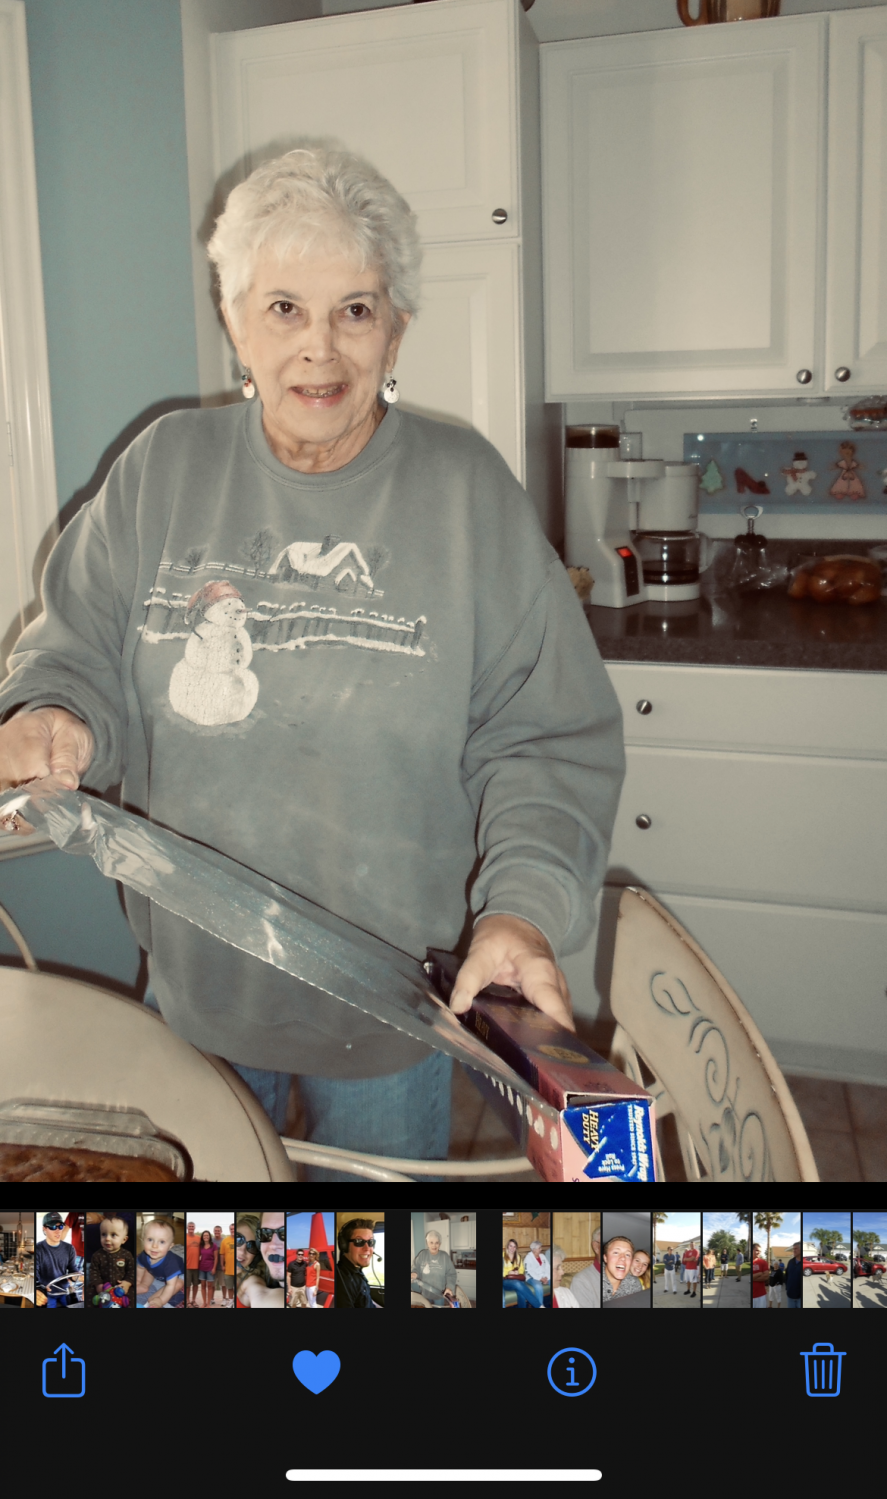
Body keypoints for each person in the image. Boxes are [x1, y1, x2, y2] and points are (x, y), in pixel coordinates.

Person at [0, 145, 625, 1174]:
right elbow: (79, 653)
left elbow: (543, 740)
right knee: (214, 1253)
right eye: (284, 308)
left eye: (355, 310)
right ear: (234, 320)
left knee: (358, 1260)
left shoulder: (464, 493)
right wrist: (54, 717)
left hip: (387, 1014)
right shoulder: (161, 470)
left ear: (396, 329)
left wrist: (519, 911)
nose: (318, 350)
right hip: (195, 995)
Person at [237, 1212, 286, 1309]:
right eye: (238, 1240)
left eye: (252, 1246)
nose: (241, 1252)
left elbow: (260, 1294)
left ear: (257, 1255)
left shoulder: (251, 1281)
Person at [35, 1213, 83, 1308]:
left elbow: (72, 1270)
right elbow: (35, 1276)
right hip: (47, 1291)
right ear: (44, 1228)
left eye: (60, 1226)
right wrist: (37, 1289)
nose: (58, 1231)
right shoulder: (38, 1249)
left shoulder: (69, 1248)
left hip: (65, 1290)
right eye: (53, 1227)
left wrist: (79, 1277)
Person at [87, 1214, 135, 1309]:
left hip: (120, 1288)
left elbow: (132, 1271)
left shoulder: (127, 1255)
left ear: (124, 1239)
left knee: (132, 1297)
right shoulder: (97, 1255)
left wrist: (127, 1283)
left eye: (113, 1235)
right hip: (103, 1287)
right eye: (104, 1234)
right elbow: (93, 1272)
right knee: (89, 1295)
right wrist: (98, 1285)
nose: (107, 1238)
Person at [136, 1218, 184, 1309]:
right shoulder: (144, 1255)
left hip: (178, 1274)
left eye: (162, 1242)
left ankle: (155, 1300)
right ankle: (143, 1286)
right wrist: (138, 1281)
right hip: (157, 1272)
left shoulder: (171, 1263)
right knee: (148, 1270)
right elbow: (140, 1267)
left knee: (177, 1284)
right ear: (143, 1240)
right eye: (150, 1239)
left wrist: (161, 1300)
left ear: (170, 1246)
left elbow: (170, 1285)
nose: (154, 1246)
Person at [336, 1220, 380, 1310]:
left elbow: (368, 1302)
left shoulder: (356, 1270)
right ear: (344, 1245)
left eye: (371, 1242)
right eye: (359, 1241)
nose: (367, 1248)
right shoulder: (343, 1282)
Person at [411, 1230, 458, 1308]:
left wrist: (449, 1287)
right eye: (431, 1242)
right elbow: (416, 1268)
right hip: (425, 1293)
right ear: (427, 1243)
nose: (434, 1245)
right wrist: (414, 1273)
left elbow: (451, 1274)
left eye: (437, 1243)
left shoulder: (444, 1256)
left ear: (440, 1244)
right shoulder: (422, 1254)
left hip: (439, 1294)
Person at [601, 1236, 642, 1304]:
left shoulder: (634, 1283)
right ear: (605, 1258)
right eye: (616, 1252)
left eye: (627, 1255)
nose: (623, 1258)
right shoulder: (591, 1282)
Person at [525, 1240, 551, 1305]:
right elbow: (528, 1271)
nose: (541, 1249)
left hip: (543, 1276)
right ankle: (540, 1305)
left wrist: (546, 1277)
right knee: (538, 1286)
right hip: (532, 1278)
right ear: (534, 1250)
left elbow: (548, 1267)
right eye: (539, 1248)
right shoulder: (528, 1257)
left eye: (540, 1247)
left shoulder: (542, 1256)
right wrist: (540, 1278)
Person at [197, 1230, 217, 1307]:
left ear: (209, 1236)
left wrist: (214, 1268)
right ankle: (204, 1302)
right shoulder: (201, 1246)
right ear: (202, 1237)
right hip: (202, 1268)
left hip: (210, 1268)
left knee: (209, 1286)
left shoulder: (214, 1245)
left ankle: (208, 1303)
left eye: (207, 1235)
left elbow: (216, 1258)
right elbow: (198, 1255)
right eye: (204, 1235)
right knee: (203, 1286)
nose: (206, 1237)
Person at [218, 1224, 235, 1306]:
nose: (233, 1230)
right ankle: (231, 1301)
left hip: (239, 1269)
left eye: (234, 1228)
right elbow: (222, 1254)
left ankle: (237, 1302)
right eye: (231, 1229)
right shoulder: (225, 1241)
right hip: (228, 1269)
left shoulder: (240, 1239)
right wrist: (222, 1265)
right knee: (229, 1287)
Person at [185, 1222, 200, 1307]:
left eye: (192, 1226)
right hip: (187, 1266)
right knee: (187, 1285)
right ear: (187, 1227)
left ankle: (193, 1300)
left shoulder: (198, 1238)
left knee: (195, 1285)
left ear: (194, 1227)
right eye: (189, 1226)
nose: (191, 1227)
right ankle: (188, 1301)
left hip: (197, 1266)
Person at [785, 1243, 803, 1309]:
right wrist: (787, 1288)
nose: (794, 1251)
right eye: (793, 1249)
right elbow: (786, 1276)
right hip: (790, 1296)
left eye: (796, 1249)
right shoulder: (790, 1262)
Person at [751, 1244, 769, 1309]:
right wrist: (759, 1273)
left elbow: (766, 1276)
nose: (759, 1252)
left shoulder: (763, 1262)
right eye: (757, 1250)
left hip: (760, 1295)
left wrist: (753, 1278)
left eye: (760, 1251)